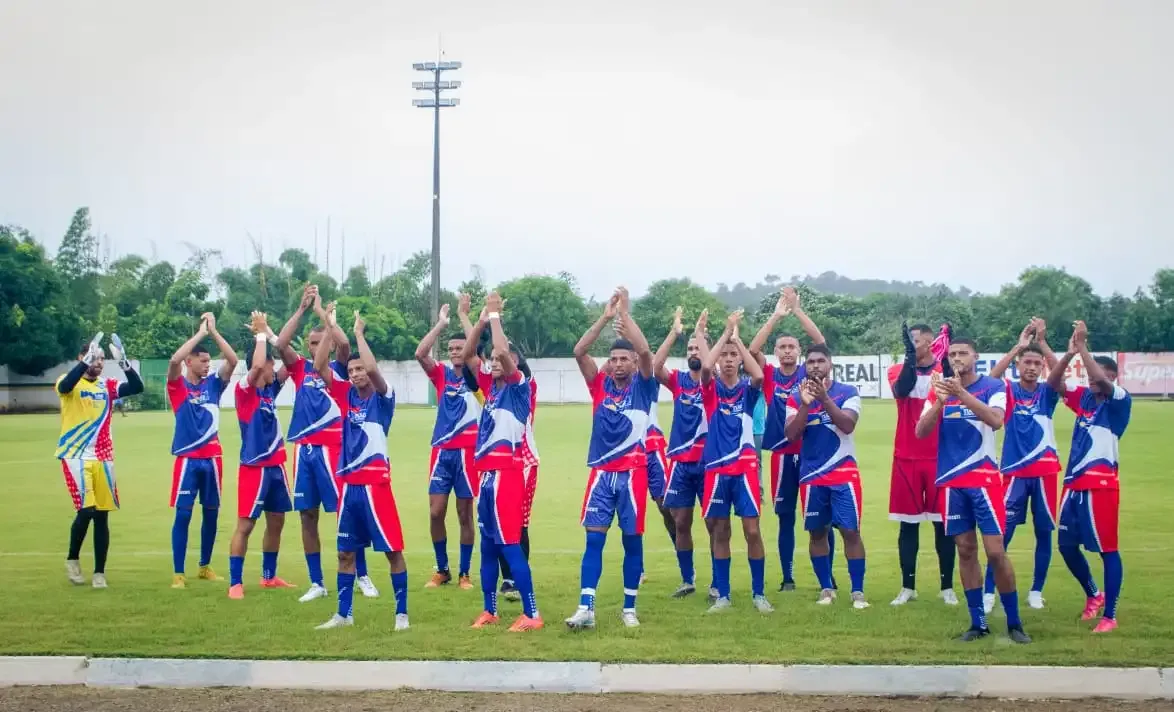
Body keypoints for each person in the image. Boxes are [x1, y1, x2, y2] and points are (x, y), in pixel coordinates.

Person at [916, 338, 1030, 644]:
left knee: (995, 552)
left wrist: (961, 394)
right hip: (952, 483)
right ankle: (977, 622)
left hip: (984, 480)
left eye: (962, 353)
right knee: (965, 551)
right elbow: (920, 431)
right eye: (952, 354)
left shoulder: (993, 387)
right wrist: (941, 400)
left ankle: (1015, 622)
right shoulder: (938, 390)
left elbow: (995, 421)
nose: (957, 358)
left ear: (975, 357)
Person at [275, 286, 378, 602]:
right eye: (311, 343)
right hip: (304, 451)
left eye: (320, 342)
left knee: (345, 514)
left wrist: (326, 316)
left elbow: (346, 342)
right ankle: (317, 582)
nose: (314, 347)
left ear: (330, 344)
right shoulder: (299, 369)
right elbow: (280, 343)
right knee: (307, 515)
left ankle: (361, 575)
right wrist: (303, 310)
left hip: (334, 451)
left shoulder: (339, 368)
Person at [565, 288, 658, 629]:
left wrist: (626, 316)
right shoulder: (600, 385)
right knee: (594, 540)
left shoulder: (645, 387)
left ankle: (629, 608)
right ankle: (586, 606)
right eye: (614, 359)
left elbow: (646, 350)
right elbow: (579, 351)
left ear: (633, 364)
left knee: (632, 541)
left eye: (624, 359)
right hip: (601, 475)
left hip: (633, 475)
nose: (619, 364)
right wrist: (606, 316)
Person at [314, 310, 409, 630]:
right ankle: (344, 614)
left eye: (359, 370)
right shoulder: (345, 397)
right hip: (349, 488)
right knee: (345, 554)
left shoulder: (384, 399)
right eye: (351, 370)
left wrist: (357, 334)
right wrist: (329, 327)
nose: (356, 374)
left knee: (392, 551)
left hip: (376, 487)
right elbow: (318, 367)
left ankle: (401, 614)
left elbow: (371, 366)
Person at [463, 292, 544, 631]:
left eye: (502, 358)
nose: (495, 361)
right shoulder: (492, 390)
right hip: (488, 476)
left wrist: (495, 318)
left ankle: (532, 614)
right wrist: (479, 321)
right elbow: (468, 356)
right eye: (493, 359)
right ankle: (490, 609)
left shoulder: (518, 386)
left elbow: (503, 355)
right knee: (488, 545)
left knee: (510, 544)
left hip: (509, 474)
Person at [1049, 321, 1131, 634]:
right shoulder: (1084, 398)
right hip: (1073, 486)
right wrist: (1060, 350)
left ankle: (1110, 615)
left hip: (1101, 485)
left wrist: (1083, 346)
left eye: (1103, 377)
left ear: (1113, 379)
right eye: (1094, 377)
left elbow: (1099, 377)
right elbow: (1055, 383)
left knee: (1107, 549)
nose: (1096, 381)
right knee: (1067, 547)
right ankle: (1093, 595)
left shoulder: (1120, 402)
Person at [748, 287, 832, 592]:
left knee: (821, 518)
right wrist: (777, 315)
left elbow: (821, 342)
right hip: (782, 456)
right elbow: (753, 346)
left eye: (791, 346)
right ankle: (788, 577)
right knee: (785, 518)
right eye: (781, 347)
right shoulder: (769, 375)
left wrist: (797, 310)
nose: (786, 351)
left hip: (813, 454)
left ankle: (828, 578)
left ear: (799, 352)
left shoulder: (809, 374)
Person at [982, 318, 1061, 613]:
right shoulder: (1008, 391)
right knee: (1001, 535)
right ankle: (990, 591)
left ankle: (1036, 590)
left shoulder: (1047, 393)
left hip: (1044, 473)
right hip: (1013, 473)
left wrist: (1042, 343)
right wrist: (1018, 344)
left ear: (1042, 367)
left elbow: (1061, 374)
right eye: (1026, 362)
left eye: (1036, 364)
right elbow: (990, 378)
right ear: (1018, 364)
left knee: (1044, 533)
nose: (1031, 367)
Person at [56, 332, 143, 588]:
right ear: (81, 358)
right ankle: (72, 559)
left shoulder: (107, 385)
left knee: (102, 515)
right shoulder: (69, 382)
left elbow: (137, 388)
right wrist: (85, 362)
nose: (98, 362)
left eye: (102, 359)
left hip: (103, 457)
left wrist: (125, 364)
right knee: (86, 510)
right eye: (93, 358)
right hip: (75, 455)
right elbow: (64, 387)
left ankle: (99, 573)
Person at [784, 344, 868, 608]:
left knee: (850, 531)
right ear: (805, 366)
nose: (815, 366)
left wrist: (824, 399)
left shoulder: (847, 392)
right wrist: (806, 407)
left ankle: (857, 591)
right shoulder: (795, 398)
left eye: (820, 361)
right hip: (812, 476)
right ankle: (826, 588)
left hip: (843, 474)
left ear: (830, 364)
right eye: (810, 362)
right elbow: (790, 435)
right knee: (817, 534)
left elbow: (847, 424)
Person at [701, 310, 771, 614]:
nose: (728, 359)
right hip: (716, 470)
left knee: (752, 531)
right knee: (720, 531)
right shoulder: (711, 390)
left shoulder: (747, 392)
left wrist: (738, 340)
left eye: (733, 355)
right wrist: (724, 333)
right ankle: (724, 595)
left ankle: (759, 594)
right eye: (724, 355)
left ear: (739, 359)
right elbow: (705, 366)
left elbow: (758, 375)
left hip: (744, 469)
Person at [887, 322, 958, 607]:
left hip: (941, 459)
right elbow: (902, 389)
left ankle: (947, 587)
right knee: (908, 526)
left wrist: (947, 356)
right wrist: (907, 354)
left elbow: (955, 387)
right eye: (908, 341)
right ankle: (908, 587)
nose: (910, 344)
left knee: (944, 526)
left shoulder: (943, 371)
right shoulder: (898, 370)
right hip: (906, 458)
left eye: (914, 341)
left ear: (930, 343)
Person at [227, 312, 297, 598]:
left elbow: (293, 363)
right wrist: (259, 335)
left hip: (276, 467)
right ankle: (235, 582)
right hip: (254, 468)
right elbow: (257, 364)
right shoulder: (245, 391)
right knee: (246, 524)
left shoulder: (270, 391)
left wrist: (269, 332)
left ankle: (269, 576)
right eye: (271, 363)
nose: (273, 367)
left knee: (277, 521)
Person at [167, 313, 238, 589]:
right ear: (190, 361)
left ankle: (204, 567)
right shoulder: (178, 386)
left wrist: (215, 332)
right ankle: (178, 573)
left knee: (211, 514)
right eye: (204, 361)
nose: (208, 366)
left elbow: (232, 361)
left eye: (210, 361)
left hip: (212, 460)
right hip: (187, 460)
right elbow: (173, 361)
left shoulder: (213, 386)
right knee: (183, 515)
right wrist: (200, 333)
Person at [416, 298, 480, 589]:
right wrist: (441, 324)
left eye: (460, 348)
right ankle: (442, 569)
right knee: (435, 512)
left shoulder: (477, 375)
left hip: (469, 453)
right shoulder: (441, 374)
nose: (456, 353)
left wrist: (465, 318)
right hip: (442, 452)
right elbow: (420, 353)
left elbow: (474, 355)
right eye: (452, 349)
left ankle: (465, 573)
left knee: (465, 513)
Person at [653, 307, 714, 599]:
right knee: (680, 522)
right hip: (680, 462)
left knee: (715, 522)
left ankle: (718, 580)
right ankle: (687, 578)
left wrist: (700, 333)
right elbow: (655, 368)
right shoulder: (678, 379)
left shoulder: (712, 381)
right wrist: (675, 333)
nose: (693, 351)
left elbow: (709, 369)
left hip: (708, 461)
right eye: (689, 347)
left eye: (698, 346)